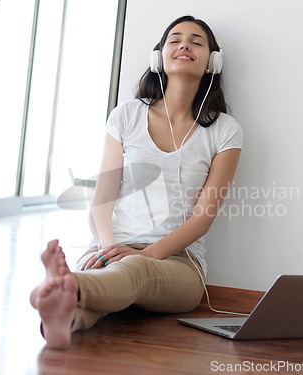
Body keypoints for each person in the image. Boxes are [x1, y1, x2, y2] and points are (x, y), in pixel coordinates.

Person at [29, 15, 243, 349]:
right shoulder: (126, 115)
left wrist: (145, 255)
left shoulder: (225, 130)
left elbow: (203, 218)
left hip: (179, 262)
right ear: (159, 56)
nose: (184, 45)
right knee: (109, 290)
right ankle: (65, 320)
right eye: (175, 39)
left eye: (196, 41)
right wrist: (105, 247)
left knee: (135, 271)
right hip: (110, 245)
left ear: (212, 62)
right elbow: (101, 199)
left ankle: (68, 284)